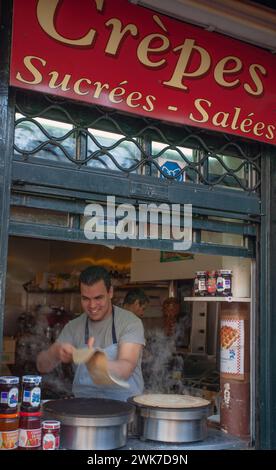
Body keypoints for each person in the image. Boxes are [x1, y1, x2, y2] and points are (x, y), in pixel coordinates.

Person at [36, 266, 145, 401]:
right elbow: (42, 366)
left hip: (124, 410)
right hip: (85, 410)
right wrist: (55, 352)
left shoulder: (130, 322)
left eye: (98, 298)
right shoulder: (73, 326)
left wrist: (96, 361)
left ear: (110, 292)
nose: (92, 305)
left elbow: (125, 368)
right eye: (86, 299)